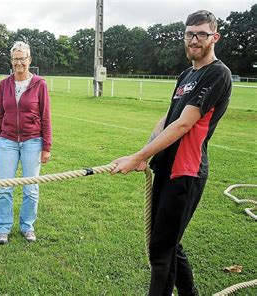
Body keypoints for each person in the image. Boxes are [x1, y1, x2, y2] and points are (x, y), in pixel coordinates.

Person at [111, 10, 232, 295]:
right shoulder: (187, 74)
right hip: (165, 166)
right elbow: (168, 117)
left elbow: (185, 123)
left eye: (202, 34)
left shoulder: (218, 73)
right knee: (168, 241)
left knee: (161, 250)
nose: (194, 39)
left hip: (186, 171)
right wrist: (143, 156)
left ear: (214, 37)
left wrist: (138, 157)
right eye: (190, 33)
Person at [0, 41, 52, 245]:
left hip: (33, 142)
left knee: (30, 188)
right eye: (15, 59)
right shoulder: (3, 85)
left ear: (29, 60)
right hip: (7, 141)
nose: (19, 63)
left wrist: (46, 147)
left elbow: (46, 117)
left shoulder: (40, 84)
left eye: (22, 59)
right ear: (11, 61)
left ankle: (27, 226)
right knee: (4, 187)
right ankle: (2, 229)